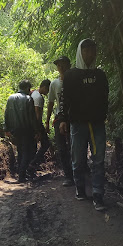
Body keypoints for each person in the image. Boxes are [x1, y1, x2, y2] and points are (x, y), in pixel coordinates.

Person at [59, 39, 109, 211]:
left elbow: (105, 97)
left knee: (99, 160)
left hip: (97, 124)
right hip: (77, 124)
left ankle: (98, 194)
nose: (90, 54)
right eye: (86, 51)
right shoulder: (71, 75)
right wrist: (63, 119)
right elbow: (65, 100)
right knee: (78, 159)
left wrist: (103, 115)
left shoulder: (100, 75)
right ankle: (80, 188)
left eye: (92, 50)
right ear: (80, 52)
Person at [45, 56, 74, 187]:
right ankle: (68, 175)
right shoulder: (54, 84)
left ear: (69, 65)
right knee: (62, 148)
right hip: (59, 118)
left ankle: (79, 171)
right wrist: (47, 121)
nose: (61, 67)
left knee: (75, 146)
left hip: (74, 117)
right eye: (59, 65)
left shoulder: (75, 80)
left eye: (63, 64)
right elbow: (51, 102)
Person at [4, 80, 40, 183]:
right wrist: (36, 131)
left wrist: (6, 128)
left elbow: (6, 114)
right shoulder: (28, 99)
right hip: (26, 129)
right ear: (28, 88)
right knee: (26, 152)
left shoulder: (10, 98)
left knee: (20, 151)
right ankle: (22, 175)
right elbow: (32, 117)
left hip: (14, 130)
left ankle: (20, 173)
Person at [28, 79, 51, 175]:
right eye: (48, 90)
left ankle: (31, 167)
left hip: (32, 124)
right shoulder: (38, 98)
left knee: (35, 146)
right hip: (36, 125)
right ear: (45, 87)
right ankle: (32, 165)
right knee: (45, 144)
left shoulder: (34, 94)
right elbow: (37, 114)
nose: (48, 92)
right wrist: (38, 131)